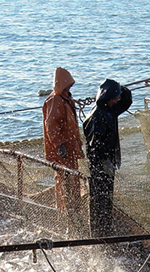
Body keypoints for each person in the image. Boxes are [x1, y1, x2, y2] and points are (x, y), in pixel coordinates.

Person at [83, 78, 132, 237]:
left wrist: (119, 87)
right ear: (108, 97)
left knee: (107, 199)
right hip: (99, 167)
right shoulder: (97, 115)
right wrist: (103, 163)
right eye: (115, 97)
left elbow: (126, 101)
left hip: (108, 164)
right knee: (99, 201)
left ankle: (106, 229)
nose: (117, 99)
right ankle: (98, 233)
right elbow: (93, 147)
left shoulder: (110, 109)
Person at [42, 67, 85, 218]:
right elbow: (51, 125)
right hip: (63, 150)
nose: (70, 88)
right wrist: (59, 145)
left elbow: (73, 127)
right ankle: (65, 211)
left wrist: (78, 146)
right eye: (68, 85)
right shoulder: (55, 100)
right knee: (63, 180)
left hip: (71, 149)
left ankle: (74, 210)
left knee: (74, 181)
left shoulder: (67, 100)